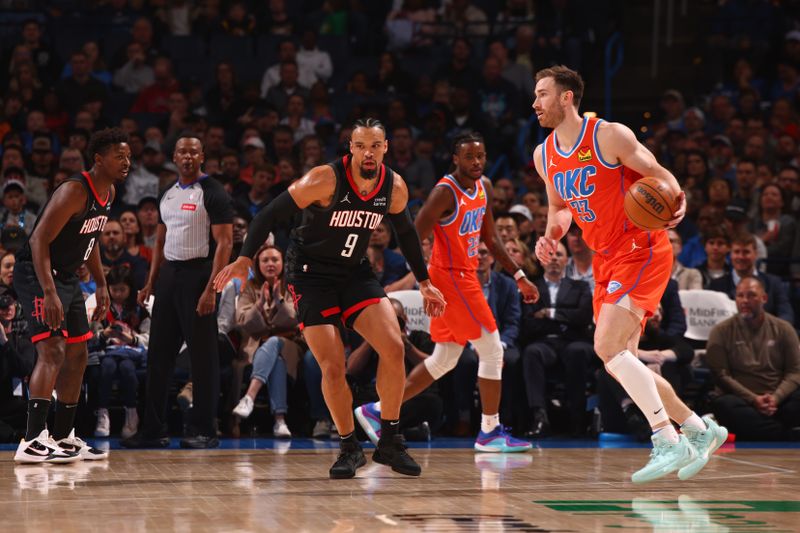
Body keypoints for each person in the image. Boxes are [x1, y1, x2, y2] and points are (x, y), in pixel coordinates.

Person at [214, 118, 446, 479]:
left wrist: (425, 281)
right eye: (360, 146)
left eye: (375, 145)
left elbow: (406, 233)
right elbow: (270, 213)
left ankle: (389, 440)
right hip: (311, 275)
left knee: (394, 347)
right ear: (349, 148)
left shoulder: (394, 187)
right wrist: (245, 257)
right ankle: (349, 447)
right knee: (333, 365)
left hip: (355, 272)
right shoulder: (324, 179)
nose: (368, 152)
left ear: (386, 147)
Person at [531, 66, 726, 483]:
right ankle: (700, 428)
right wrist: (550, 235)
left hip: (640, 248)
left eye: (543, 94)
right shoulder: (543, 155)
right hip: (606, 259)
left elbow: (658, 174)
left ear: (567, 98)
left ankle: (665, 438)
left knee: (606, 345)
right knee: (622, 360)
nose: (535, 103)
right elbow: (561, 208)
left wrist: (678, 199)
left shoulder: (608, 135)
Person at [354, 132, 538, 453]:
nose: (477, 162)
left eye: (481, 156)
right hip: (450, 278)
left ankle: (377, 410)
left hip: (463, 276)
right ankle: (490, 432)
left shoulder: (485, 186)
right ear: (455, 159)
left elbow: (491, 239)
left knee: (445, 359)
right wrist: (424, 283)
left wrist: (520, 275)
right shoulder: (444, 192)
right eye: (469, 157)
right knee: (493, 350)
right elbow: (413, 236)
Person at [13, 127, 130, 463]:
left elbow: (88, 241)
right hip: (38, 272)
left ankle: (63, 437)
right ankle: (32, 439)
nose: (126, 162)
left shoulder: (108, 194)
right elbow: (38, 241)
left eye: (129, 157)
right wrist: (48, 292)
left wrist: (102, 284)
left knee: (78, 354)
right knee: (52, 349)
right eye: (119, 156)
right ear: (99, 159)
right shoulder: (76, 190)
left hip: (66, 277)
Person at [122, 136, 233, 450]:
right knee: (158, 354)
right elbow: (159, 241)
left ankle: (204, 429)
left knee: (203, 357)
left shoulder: (212, 191)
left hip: (199, 274)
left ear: (202, 155)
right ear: (174, 156)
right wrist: (149, 282)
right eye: (182, 152)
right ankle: (153, 429)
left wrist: (212, 289)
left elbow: (225, 243)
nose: (187, 157)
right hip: (169, 275)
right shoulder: (167, 193)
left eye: (193, 151)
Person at [706, 277, 800, 440]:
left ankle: (766, 431)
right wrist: (753, 399)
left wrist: (776, 398)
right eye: (740, 296)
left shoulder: (784, 329)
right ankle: (785, 435)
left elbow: (795, 371)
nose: (744, 301)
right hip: (741, 402)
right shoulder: (720, 331)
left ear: (764, 298)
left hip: (778, 401)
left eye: (751, 295)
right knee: (723, 404)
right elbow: (721, 375)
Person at [231, 244, 298, 439]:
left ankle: (249, 397)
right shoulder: (249, 287)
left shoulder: (293, 286)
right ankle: (280, 421)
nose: (270, 264)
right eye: (265, 260)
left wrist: (279, 301)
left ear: (283, 263)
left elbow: (297, 317)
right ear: (257, 265)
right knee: (275, 359)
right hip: (257, 346)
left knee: (275, 342)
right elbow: (241, 320)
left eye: (275, 260)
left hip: (290, 344)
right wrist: (258, 306)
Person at [93, 265, 150, 439]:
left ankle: (131, 413)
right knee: (107, 367)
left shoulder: (139, 309)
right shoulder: (102, 309)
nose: (118, 294)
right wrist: (104, 334)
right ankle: (102, 414)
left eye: (122, 290)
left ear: (130, 289)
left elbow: (149, 336)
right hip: (108, 353)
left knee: (127, 369)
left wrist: (132, 339)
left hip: (131, 354)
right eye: (114, 289)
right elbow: (92, 334)